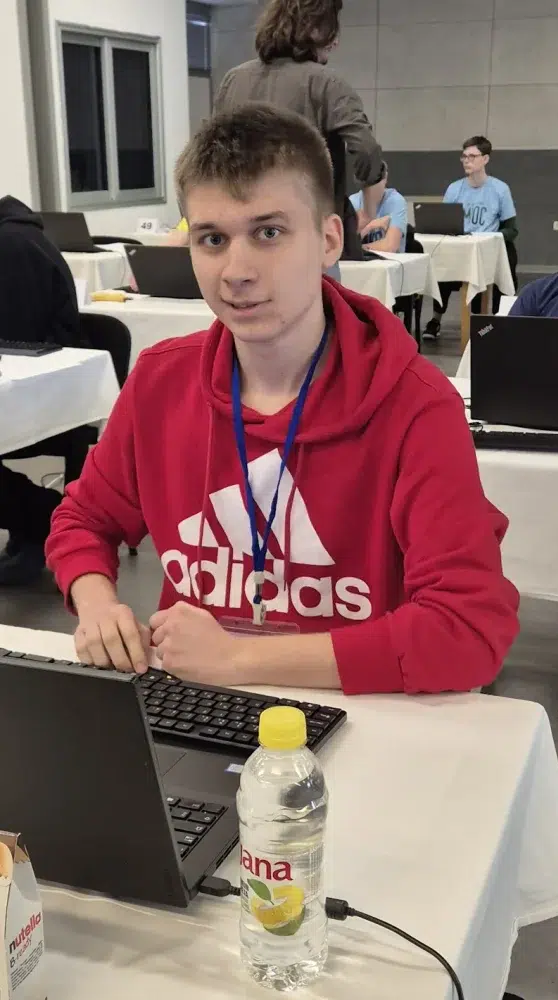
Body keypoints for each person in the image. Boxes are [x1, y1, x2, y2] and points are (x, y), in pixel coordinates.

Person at [46, 104, 518, 695]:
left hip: (360, 712)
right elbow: (82, 519)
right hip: (197, 704)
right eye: (212, 239)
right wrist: (96, 603)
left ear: (329, 240)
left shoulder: (416, 406)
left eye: (268, 233)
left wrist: (239, 659)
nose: (236, 271)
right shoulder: (160, 381)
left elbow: (467, 629)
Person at [213, 0, 383, 262]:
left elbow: (211, 154)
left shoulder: (233, 81)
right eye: (332, 29)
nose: (336, 41)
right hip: (309, 232)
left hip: (245, 230)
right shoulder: (327, 83)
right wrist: (368, 207)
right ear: (314, 29)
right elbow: (366, 150)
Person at [0, 195, 82, 585]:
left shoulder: (11, 246)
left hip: (43, 391)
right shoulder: (15, 238)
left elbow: (15, 337)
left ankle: (47, 518)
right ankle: (39, 520)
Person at [424, 136, 518, 339]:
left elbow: (512, 230)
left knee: (510, 256)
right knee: (439, 260)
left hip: (486, 250)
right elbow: (444, 223)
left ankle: (499, 319)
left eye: (472, 156)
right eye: (464, 156)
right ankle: (435, 319)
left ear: (485, 159)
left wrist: (490, 237)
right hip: (460, 247)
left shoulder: (500, 189)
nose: (467, 161)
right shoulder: (454, 189)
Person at [349, 162, 408, 253]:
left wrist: (358, 248)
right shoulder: (353, 202)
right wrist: (370, 226)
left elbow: (390, 246)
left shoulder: (396, 201)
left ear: (385, 178)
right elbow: (346, 245)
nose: (372, 189)